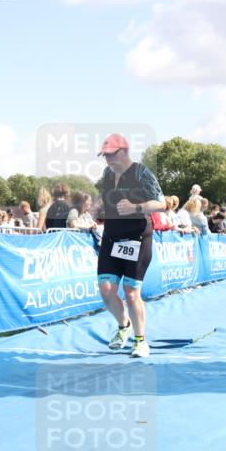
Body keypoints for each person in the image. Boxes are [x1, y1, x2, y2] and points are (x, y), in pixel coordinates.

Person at [92, 134, 165, 359]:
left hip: (137, 238)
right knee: (106, 291)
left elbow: (161, 203)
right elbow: (104, 199)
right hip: (112, 237)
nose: (107, 160)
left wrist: (136, 207)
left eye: (111, 155)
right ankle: (124, 327)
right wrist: (92, 211)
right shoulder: (107, 173)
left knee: (131, 293)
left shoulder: (141, 172)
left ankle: (141, 341)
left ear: (123, 151)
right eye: (104, 155)